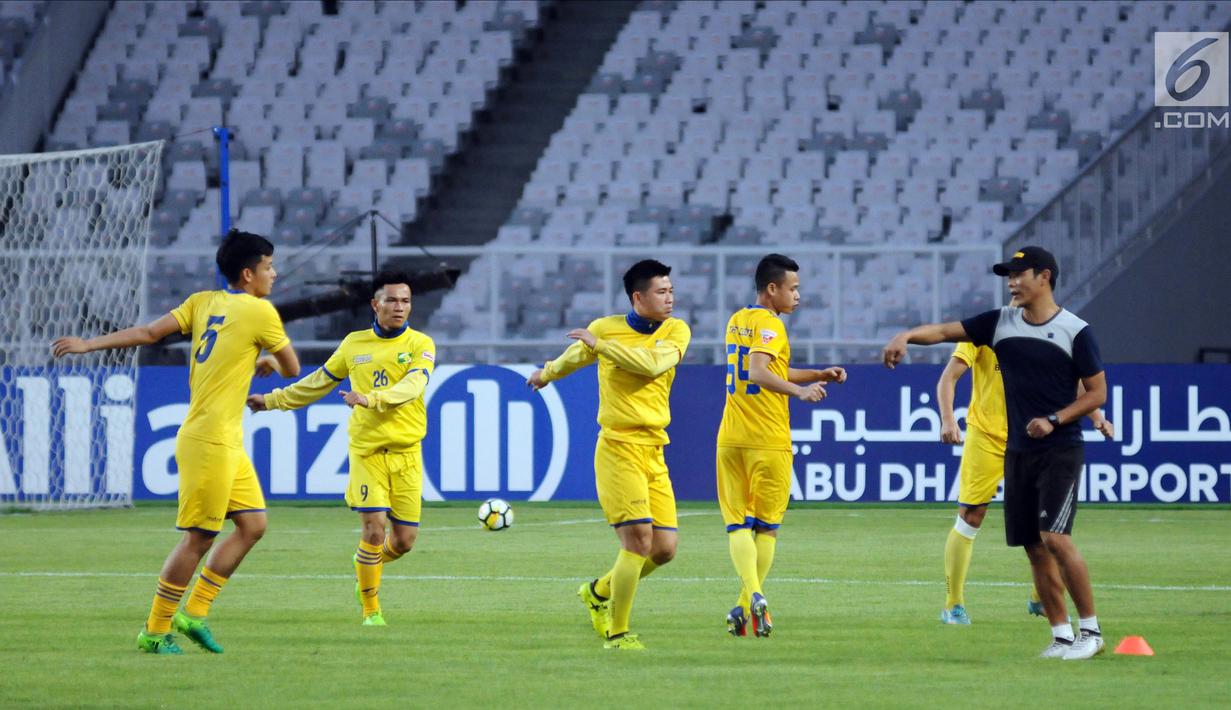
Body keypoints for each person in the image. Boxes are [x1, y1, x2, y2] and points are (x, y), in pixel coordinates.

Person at [53, 229, 300, 655]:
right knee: (199, 538)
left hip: (220, 438)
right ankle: (154, 630)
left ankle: (195, 613)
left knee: (253, 525)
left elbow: (150, 333)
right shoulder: (262, 313)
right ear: (247, 274)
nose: (273, 274)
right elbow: (292, 366)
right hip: (210, 441)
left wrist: (89, 344)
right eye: (268, 267)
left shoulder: (201, 301)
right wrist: (269, 359)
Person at [883, 246, 1108, 660]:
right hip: (1014, 449)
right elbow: (944, 333)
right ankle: (1061, 635)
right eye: (1008, 275)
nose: (1011, 282)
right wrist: (907, 335)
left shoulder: (1076, 331)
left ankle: (1091, 632)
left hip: (1059, 447)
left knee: (1055, 537)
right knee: (1032, 545)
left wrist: (1060, 419)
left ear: (1045, 277)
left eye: (1019, 274)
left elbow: (1095, 391)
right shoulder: (998, 324)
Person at [247, 271, 435, 627]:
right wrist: (272, 401)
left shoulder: (421, 343)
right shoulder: (354, 344)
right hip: (367, 452)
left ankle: (365, 562)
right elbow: (318, 382)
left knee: (405, 541)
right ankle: (371, 611)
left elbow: (414, 385)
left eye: (406, 301)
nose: (400, 307)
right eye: (392, 300)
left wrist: (371, 397)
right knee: (374, 529)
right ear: (374, 304)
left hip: (408, 454)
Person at [528, 259, 690, 651]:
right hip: (618, 447)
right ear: (638, 297)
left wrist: (601, 347)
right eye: (661, 292)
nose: (670, 298)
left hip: (655, 449)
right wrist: (547, 374)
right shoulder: (605, 328)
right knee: (636, 543)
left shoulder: (676, 331)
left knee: (664, 550)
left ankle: (598, 591)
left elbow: (653, 365)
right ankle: (618, 633)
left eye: (671, 291)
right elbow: (576, 356)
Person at [936, 342, 1113, 625]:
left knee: (1045, 525)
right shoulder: (982, 332)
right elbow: (950, 376)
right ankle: (953, 605)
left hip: (1032, 437)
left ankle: (1041, 598)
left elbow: (1072, 382)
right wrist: (947, 419)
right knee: (972, 515)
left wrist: (1096, 417)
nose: (1017, 297)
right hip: (986, 437)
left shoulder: (1044, 334)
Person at [716, 254, 845, 637]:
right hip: (768, 440)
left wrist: (819, 373)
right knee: (767, 528)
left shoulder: (738, 319)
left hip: (730, 437)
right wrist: (801, 391)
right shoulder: (772, 326)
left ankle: (744, 607)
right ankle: (755, 594)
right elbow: (760, 371)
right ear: (772, 289)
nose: (798, 295)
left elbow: (765, 368)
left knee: (737, 523)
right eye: (793, 288)